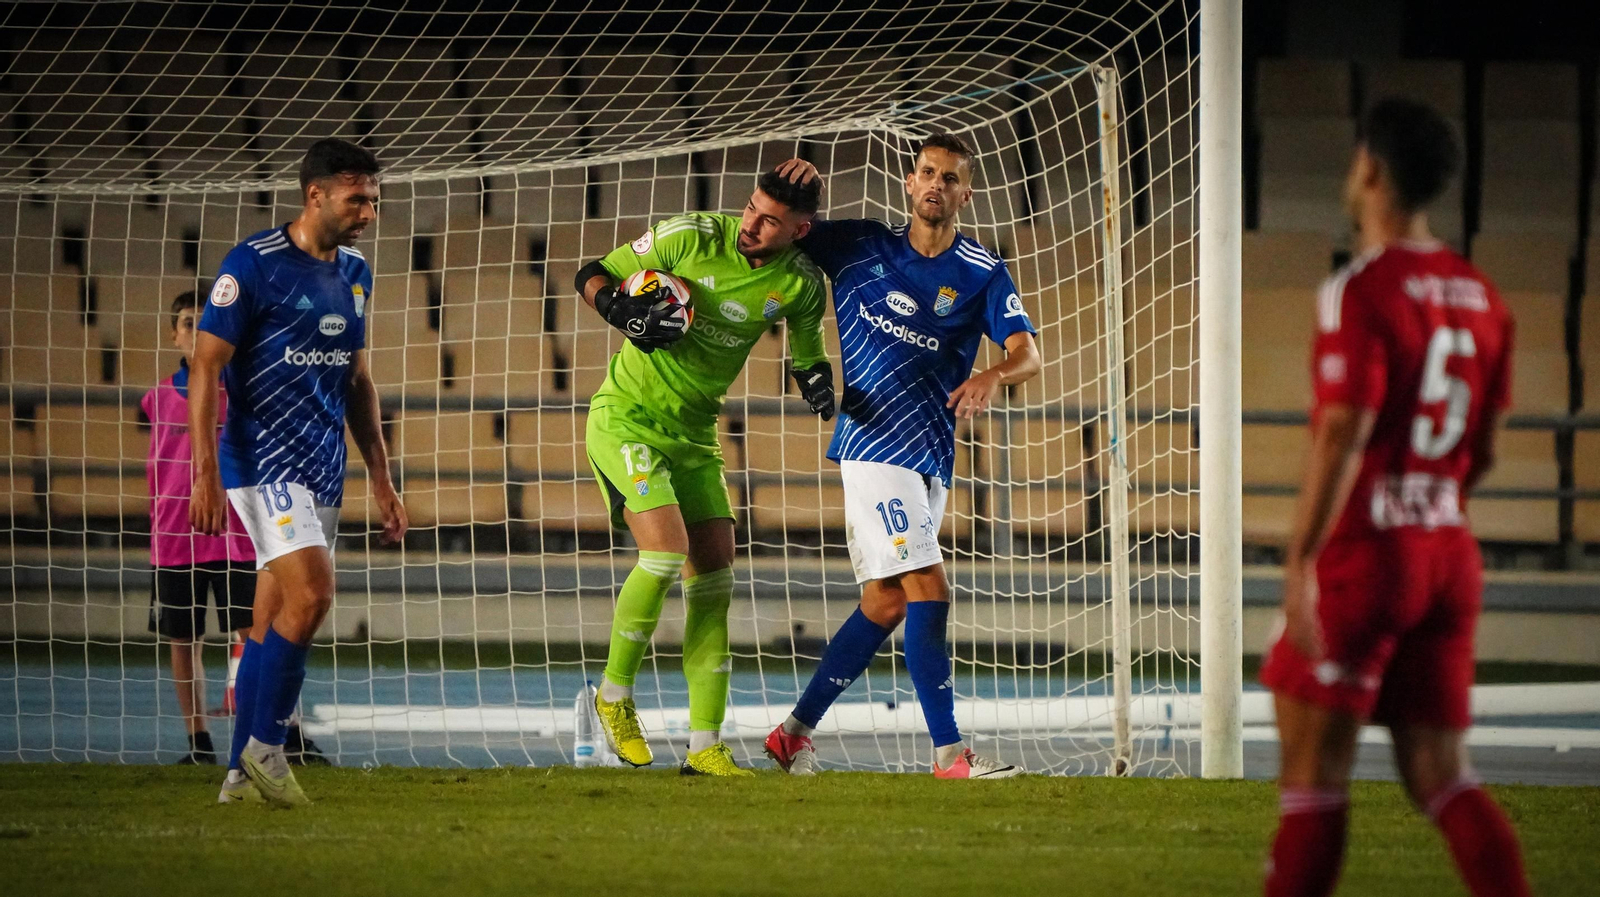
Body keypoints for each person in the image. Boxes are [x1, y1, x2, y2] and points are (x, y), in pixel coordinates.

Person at [1258, 98, 1529, 897]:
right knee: (1441, 773)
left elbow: (1342, 426)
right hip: (1446, 548)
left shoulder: (1360, 290)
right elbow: (1482, 449)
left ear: (1369, 167)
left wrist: (1301, 555)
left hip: (1370, 553)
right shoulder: (1484, 296)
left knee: (1313, 774)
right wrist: (1429, 503)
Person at [763, 134, 1042, 779]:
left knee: (887, 602)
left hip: (930, 453)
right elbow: (780, 229)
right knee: (929, 587)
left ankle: (790, 736)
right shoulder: (861, 244)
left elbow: (1029, 354)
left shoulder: (982, 272)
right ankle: (949, 754)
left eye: (949, 177)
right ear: (909, 184)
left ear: (964, 194)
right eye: (926, 173)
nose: (935, 185)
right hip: (871, 442)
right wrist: (783, 190)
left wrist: (993, 375)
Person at [575, 170, 834, 777]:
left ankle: (704, 746)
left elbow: (807, 352)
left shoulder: (798, 283)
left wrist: (819, 384)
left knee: (715, 580)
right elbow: (594, 271)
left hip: (695, 437)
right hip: (627, 421)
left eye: (770, 220)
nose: (751, 224)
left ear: (800, 230)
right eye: (750, 208)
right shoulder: (690, 235)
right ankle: (612, 698)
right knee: (664, 556)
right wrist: (617, 306)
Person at [190, 137, 407, 806]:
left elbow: (358, 380)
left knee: (271, 616)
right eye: (357, 199)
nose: (369, 210)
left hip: (322, 467)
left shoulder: (357, 271)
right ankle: (266, 748)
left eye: (373, 199)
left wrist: (381, 475)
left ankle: (237, 777)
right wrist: (204, 471)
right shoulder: (253, 265)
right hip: (262, 463)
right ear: (315, 195)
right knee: (313, 594)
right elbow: (205, 363)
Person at [143, 289, 257, 765]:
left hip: (238, 537)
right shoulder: (156, 399)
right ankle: (199, 743)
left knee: (254, 635)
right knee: (183, 640)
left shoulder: (243, 390)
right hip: (175, 538)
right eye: (188, 322)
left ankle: (262, 736)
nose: (197, 330)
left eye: (206, 322)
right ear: (175, 333)